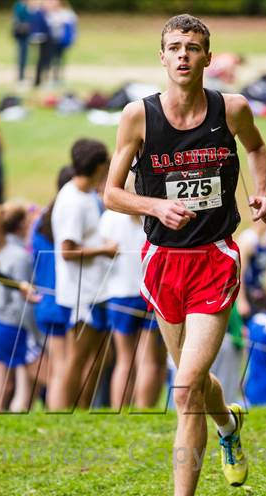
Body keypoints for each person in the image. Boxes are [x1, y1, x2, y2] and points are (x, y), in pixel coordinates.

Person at [104, 14, 266, 496]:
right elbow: (112, 192)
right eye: (174, 47)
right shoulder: (138, 117)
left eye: (193, 47)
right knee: (193, 383)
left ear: (207, 57)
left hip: (214, 260)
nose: (183, 55)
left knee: (184, 388)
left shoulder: (233, 108)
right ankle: (229, 426)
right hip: (161, 263)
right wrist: (153, 203)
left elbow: (257, 148)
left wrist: (262, 193)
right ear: (162, 57)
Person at [51, 139, 117, 411]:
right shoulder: (72, 201)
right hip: (81, 292)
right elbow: (67, 250)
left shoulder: (87, 195)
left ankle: (83, 409)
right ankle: (65, 413)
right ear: (99, 165)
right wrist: (104, 250)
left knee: (99, 356)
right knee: (77, 357)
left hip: (95, 289)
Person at [99, 203, 164, 409]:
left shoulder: (110, 217)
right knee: (148, 359)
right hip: (148, 293)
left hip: (119, 294)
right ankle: (143, 409)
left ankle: (120, 409)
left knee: (124, 359)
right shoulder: (154, 213)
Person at [0, 202, 36, 413]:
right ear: (21, 225)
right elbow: (21, 301)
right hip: (13, 324)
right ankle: (18, 420)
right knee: (21, 386)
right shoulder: (20, 256)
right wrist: (34, 331)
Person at [31, 165, 73, 409]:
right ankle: (59, 411)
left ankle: (58, 410)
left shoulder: (41, 220)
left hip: (45, 300)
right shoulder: (65, 217)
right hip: (62, 299)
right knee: (63, 365)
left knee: (59, 363)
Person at [45, 0, 77, 84]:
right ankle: (49, 77)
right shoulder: (48, 13)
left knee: (59, 59)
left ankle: (57, 78)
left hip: (61, 40)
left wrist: (72, 39)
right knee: (50, 59)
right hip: (51, 40)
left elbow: (72, 28)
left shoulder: (67, 14)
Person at [12, 0, 32, 83]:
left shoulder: (27, 5)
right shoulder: (20, 5)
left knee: (26, 55)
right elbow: (20, 17)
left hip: (27, 33)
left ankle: (23, 75)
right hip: (22, 33)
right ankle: (21, 76)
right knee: (22, 55)